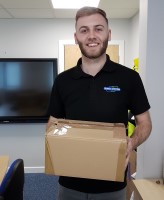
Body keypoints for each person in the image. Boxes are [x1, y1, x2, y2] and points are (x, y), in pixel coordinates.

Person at [46, 6, 152, 200]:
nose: (91, 35)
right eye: (84, 30)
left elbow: (145, 123)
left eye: (98, 28)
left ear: (108, 34)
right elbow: (53, 124)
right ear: (76, 37)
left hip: (112, 184)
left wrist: (131, 142)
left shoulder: (129, 78)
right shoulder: (62, 80)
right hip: (70, 183)